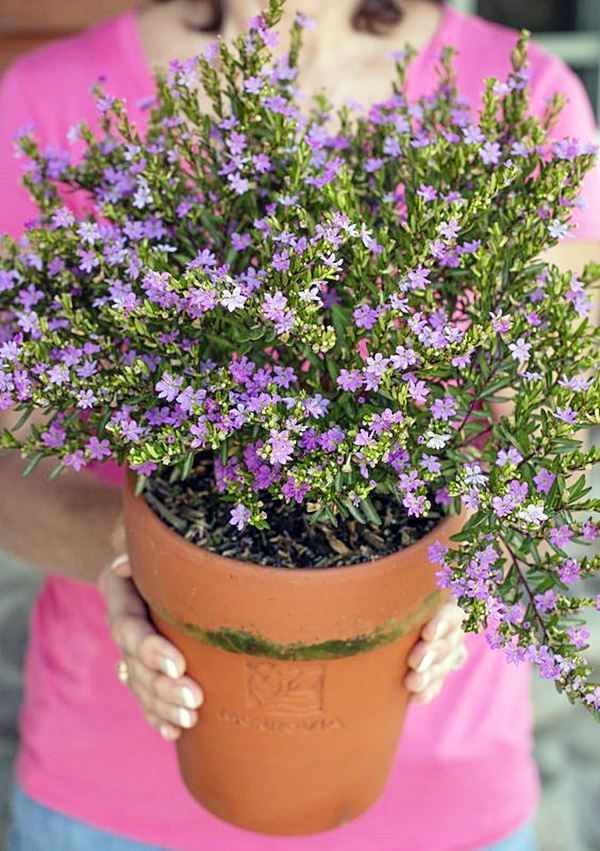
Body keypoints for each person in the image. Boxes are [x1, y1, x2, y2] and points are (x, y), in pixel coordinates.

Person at [0, 1, 598, 849]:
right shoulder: (53, 99)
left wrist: (476, 558)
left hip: (442, 788)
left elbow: (541, 435)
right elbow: (9, 450)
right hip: (111, 792)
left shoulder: (523, 96)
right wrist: (130, 557)